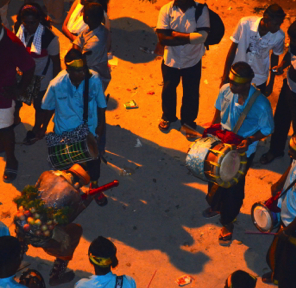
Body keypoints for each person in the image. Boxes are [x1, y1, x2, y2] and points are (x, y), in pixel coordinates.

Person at [202, 62, 274, 246]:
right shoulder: (226, 90)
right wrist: (212, 131)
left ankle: (228, 222)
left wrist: (249, 140)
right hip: (221, 143)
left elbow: (267, 129)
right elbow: (218, 111)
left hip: (242, 151)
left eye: (236, 84)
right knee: (214, 176)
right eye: (231, 81)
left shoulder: (261, 104)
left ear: (247, 83)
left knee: (232, 187)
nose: (231, 85)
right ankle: (217, 207)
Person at [41, 48, 106, 189]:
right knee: (63, 162)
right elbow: (48, 107)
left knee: (93, 160)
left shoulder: (93, 79)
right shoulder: (56, 84)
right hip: (64, 130)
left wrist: (101, 125)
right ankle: (65, 188)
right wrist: (42, 128)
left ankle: (94, 186)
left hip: (88, 129)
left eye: (84, 69)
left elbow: (101, 105)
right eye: (78, 71)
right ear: (68, 70)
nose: (83, 74)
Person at [156, 0, 210, 136]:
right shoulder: (166, 10)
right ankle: (168, 116)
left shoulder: (201, 10)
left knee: (191, 92)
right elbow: (163, 39)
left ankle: (188, 122)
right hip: (171, 60)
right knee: (168, 89)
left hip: (192, 60)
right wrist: (192, 38)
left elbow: (203, 37)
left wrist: (178, 35)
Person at [14, 3, 61, 145]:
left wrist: (54, 84)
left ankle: (36, 129)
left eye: (32, 23)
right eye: (26, 22)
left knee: (39, 107)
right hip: (23, 74)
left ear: (39, 20)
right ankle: (15, 120)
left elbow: (56, 63)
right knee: (16, 101)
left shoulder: (50, 38)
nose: (29, 26)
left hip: (41, 79)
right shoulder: (20, 30)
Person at [220, 4, 285, 96]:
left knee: (253, 107)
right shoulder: (244, 24)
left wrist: (271, 83)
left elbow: (275, 57)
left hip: (259, 78)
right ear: (266, 19)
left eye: (280, 24)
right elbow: (233, 49)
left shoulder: (279, 36)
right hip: (237, 75)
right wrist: (225, 76)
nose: (278, 27)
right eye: (276, 24)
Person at [0, 15, 35, 182]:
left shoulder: (12, 44)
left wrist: (19, 89)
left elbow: (29, 67)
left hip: (3, 96)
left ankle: (11, 160)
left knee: (6, 129)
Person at [260, 21, 296, 165]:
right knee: (280, 120)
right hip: (289, 87)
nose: (292, 43)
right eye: (291, 39)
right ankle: (275, 150)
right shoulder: (294, 44)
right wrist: (281, 66)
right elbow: (290, 55)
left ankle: (293, 165)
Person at [262, 134, 296, 287]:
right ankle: (277, 273)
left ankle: (282, 278)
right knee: (277, 254)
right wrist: (279, 183)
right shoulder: (295, 158)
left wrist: (288, 231)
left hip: (293, 227)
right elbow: (292, 166)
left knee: (289, 263)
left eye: (292, 151)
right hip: (287, 217)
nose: (289, 153)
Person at [73, 2, 110, 91]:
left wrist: (76, 53)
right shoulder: (96, 27)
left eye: (83, 13)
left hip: (92, 82)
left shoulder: (95, 43)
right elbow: (78, 41)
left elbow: (80, 64)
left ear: (87, 18)